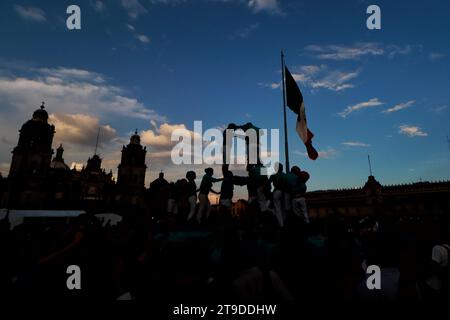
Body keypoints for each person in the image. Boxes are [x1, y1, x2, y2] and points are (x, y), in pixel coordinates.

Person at [269, 163, 287, 227]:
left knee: (278, 209)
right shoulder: (285, 175)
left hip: (276, 192)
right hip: (284, 193)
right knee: (283, 209)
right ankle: (283, 223)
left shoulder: (273, 175)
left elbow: (268, 183)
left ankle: (281, 225)